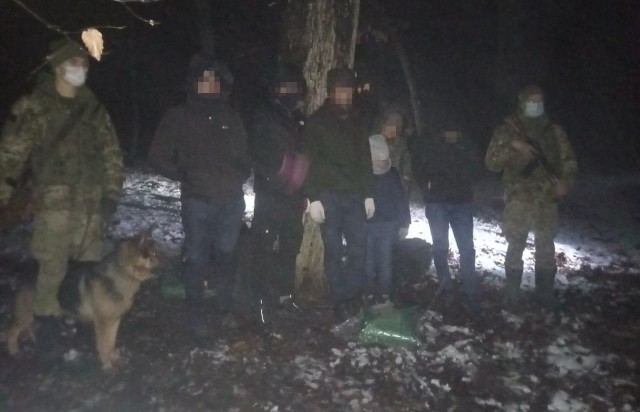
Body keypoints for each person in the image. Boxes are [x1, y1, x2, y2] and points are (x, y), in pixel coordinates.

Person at [0, 38, 124, 319]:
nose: (81, 68)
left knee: (85, 272)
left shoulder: (94, 110)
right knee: (50, 269)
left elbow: (112, 154)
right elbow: (9, 157)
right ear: (57, 66)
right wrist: (4, 200)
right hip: (52, 206)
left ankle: (75, 326)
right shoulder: (34, 107)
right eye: (73, 62)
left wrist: (111, 195)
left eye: (84, 63)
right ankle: (47, 329)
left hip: (90, 208)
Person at [149, 54, 251, 334]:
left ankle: (224, 308)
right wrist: (185, 174)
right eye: (204, 80)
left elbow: (245, 156)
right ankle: (197, 315)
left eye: (214, 80)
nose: (209, 85)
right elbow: (157, 156)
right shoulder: (178, 116)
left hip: (231, 201)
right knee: (196, 257)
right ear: (194, 83)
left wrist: (236, 176)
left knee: (227, 255)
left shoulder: (231, 116)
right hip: (197, 201)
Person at [485, 84, 577, 310]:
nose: (536, 105)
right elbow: (491, 163)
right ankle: (512, 296)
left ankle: (545, 296)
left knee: (546, 247)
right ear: (522, 103)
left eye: (539, 101)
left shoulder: (553, 131)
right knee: (515, 244)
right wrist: (514, 147)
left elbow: (568, 161)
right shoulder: (508, 131)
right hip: (519, 198)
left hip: (547, 199)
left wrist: (565, 182)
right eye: (531, 101)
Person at [301, 67, 375, 322]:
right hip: (329, 196)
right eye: (339, 90)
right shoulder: (316, 122)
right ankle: (340, 300)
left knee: (358, 250)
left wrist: (368, 194)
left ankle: (352, 295)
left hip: (354, 196)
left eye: (348, 90)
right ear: (330, 92)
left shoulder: (358, 122)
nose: (344, 95)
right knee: (332, 251)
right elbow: (308, 162)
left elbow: (365, 159)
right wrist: (313, 197)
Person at [247, 62, 307, 319]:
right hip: (271, 195)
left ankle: (285, 296)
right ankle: (258, 299)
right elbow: (259, 152)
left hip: (293, 196)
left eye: (294, 87)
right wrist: (279, 173)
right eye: (285, 86)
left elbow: (304, 153)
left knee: (290, 247)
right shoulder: (264, 115)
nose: (290, 92)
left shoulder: (297, 119)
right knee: (263, 246)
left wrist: (302, 186)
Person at [418, 118, 482, 320]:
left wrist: (466, 182)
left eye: (454, 130)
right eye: (448, 130)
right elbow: (421, 167)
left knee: (467, 248)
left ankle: (470, 291)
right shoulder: (432, 145)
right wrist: (426, 189)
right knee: (440, 246)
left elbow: (477, 170)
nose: (451, 134)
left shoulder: (467, 146)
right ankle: (445, 286)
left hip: (462, 203)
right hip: (437, 203)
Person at [365, 135, 410, 305]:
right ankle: (368, 292)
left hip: (387, 225)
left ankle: (384, 294)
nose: (380, 164)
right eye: (376, 161)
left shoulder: (392, 174)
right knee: (368, 262)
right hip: (367, 224)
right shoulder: (363, 175)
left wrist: (404, 223)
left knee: (385, 261)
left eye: (382, 161)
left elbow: (401, 199)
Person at [371, 103, 413, 195]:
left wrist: (406, 181)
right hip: (375, 188)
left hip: (396, 190)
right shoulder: (373, 142)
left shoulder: (403, 146)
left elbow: (407, 168)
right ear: (383, 124)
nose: (394, 125)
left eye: (398, 122)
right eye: (391, 122)